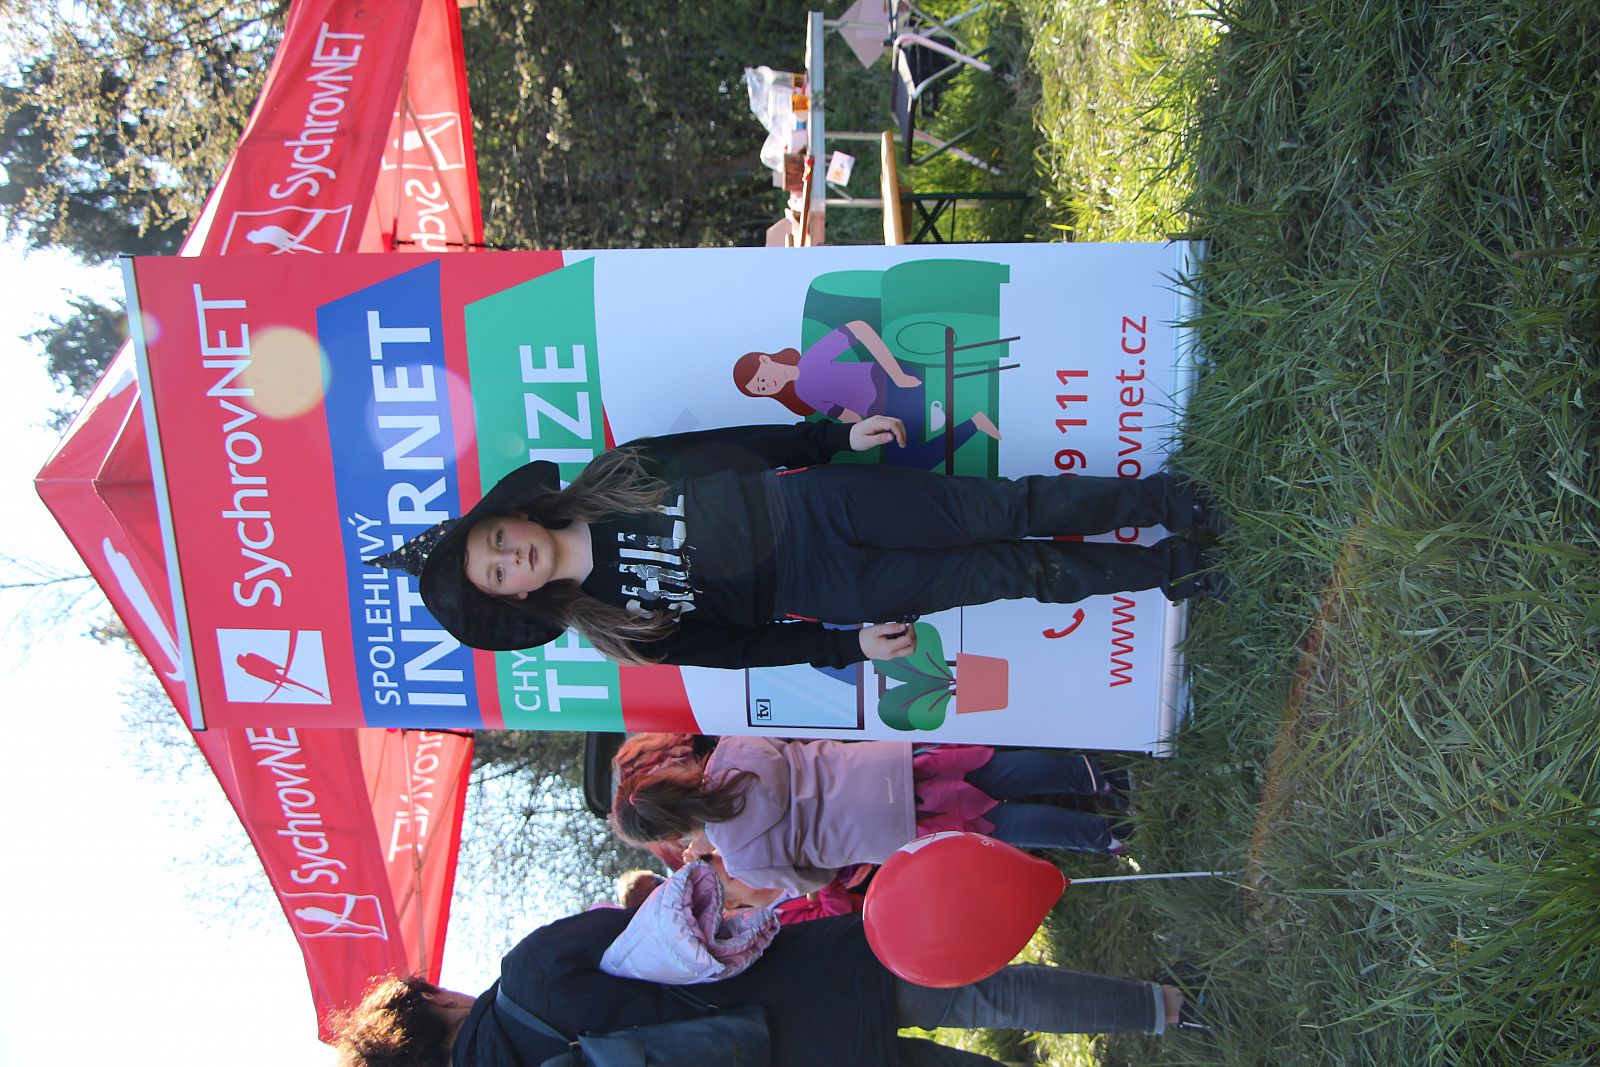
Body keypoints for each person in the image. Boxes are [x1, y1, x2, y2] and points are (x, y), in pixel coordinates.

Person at [368, 418, 1221, 668]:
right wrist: (846, 644)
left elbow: (736, 444)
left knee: (1006, 507)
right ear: (515, 596)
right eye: (497, 573)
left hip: (826, 502)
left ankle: (1170, 498)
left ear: (516, 516)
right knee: (1015, 569)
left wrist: (829, 440)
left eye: (498, 539)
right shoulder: (619, 631)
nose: (511, 556)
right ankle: (1172, 566)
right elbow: (744, 650)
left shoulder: (616, 472)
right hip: (830, 590)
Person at [330, 910, 1192, 1067]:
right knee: (988, 997)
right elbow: (676, 925)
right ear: (433, 1002)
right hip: (814, 985)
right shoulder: (531, 972)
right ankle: (1172, 1010)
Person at [608, 733, 1132, 898]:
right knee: (994, 771)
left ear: (671, 834)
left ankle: (1104, 836)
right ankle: (1096, 776)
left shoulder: (744, 861)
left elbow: (816, 879)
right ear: (669, 776)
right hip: (886, 766)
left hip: (890, 828)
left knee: (998, 827)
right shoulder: (735, 749)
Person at [733, 319, 1001, 471]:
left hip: (892, 386)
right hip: (882, 413)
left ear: (766, 360)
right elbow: (848, 416)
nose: (767, 385)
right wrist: (861, 433)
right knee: (911, 465)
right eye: (762, 389)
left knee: (911, 461)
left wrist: (897, 374)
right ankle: (971, 422)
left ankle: (942, 415)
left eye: (762, 379)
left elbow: (859, 328)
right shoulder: (804, 393)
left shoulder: (811, 360)